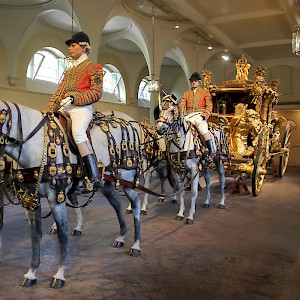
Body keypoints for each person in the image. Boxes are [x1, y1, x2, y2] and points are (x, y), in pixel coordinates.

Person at [44, 31, 104, 190]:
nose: (69, 49)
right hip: (64, 108)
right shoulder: (69, 71)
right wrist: (47, 111)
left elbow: (97, 92)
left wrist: (75, 98)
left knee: (78, 132)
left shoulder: (94, 67)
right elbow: (58, 93)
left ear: (84, 47)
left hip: (81, 108)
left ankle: (93, 176)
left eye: (73, 45)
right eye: (69, 46)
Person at [180, 72, 215, 160]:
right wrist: (184, 114)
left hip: (199, 115)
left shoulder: (205, 92)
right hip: (188, 116)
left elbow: (209, 106)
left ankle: (211, 150)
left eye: (195, 81)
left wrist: (204, 115)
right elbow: (182, 106)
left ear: (200, 82)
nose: (193, 82)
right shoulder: (186, 94)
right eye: (192, 81)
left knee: (203, 129)